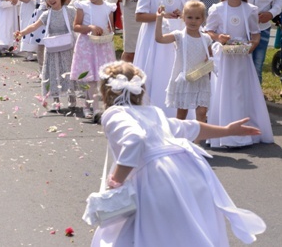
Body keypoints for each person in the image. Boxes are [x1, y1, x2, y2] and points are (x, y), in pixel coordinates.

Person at [91, 60, 266, 247]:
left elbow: (134, 139)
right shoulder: (152, 112)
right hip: (186, 175)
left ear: (104, 92)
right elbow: (189, 128)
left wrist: (116, 182)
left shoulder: (114, 114)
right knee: (182, 233)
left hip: (156, 179)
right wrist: (227, 130)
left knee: (155, 234)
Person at [205, 0, 274, 147]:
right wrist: (219, 37)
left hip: (242, 57)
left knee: (241, 91)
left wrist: (251, 46)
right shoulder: (217, 9)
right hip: (225, 58)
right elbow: (209, 31)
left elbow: (255, 34)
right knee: (225, 90)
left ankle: (245, 129)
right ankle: (224, 131)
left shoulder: (250, 10)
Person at [134, 0, 191, 117]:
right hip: (153, 38)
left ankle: (174, 110)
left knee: (171, 71)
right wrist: (161, 16)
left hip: (174, 40)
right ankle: (151, 109)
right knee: (154, 71)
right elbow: (140, 16)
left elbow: (190, 15)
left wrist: (182, 15)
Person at [15, 0, 75, 112]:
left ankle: (71, 96)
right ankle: (55, 99)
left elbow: (78, 24)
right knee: (53, 73)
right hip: (52, 48)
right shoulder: (47, 14)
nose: (51, 0)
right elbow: (34, 25)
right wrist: (22, 32)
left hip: (67, 47)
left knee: (68, 70)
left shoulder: (70, 11)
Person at [155, 0, 211, 123]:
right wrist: (159, 19)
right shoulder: (179, 36)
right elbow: (159, 38)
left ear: (202, 19)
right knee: (182, 114)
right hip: (185, 79)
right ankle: (180, 137)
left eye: (197, 18)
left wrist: (209, 70)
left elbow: (209, 58)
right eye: (190, 17)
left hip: (201, 79)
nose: (193, 21)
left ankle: (198, 140)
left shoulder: (206, 38)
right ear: (183, 18)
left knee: (202, 112)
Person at [71, 0, 116, 118]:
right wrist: (90, 27)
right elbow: (76, 26)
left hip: (102, 45)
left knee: (102, 77)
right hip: (87, 45)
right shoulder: (83, 6)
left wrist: (106, 32)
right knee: (90, 77)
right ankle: (92, 106)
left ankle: (100, 105)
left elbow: (111, 27)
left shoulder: (108, 7)